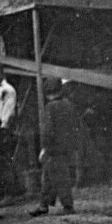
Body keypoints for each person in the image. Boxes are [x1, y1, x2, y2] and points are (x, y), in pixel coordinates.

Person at [29, 77, 79, 216]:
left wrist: (44, 148)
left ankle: (68, 205)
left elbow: (47, 131)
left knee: (59, 176)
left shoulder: (50, 107)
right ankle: (43, 205)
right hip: (66, 146)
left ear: (46, 92)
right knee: (48, 176)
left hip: (53, 148)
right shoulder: (68, 105)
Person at [0, 64, 22, 202]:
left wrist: (4, 127)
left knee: (5, 160)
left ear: (2, 74)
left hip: (4, 128)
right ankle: (0, 193)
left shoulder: (8, 90)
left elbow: (9, 110)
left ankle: (10, 194)